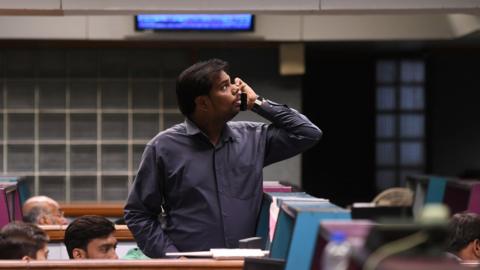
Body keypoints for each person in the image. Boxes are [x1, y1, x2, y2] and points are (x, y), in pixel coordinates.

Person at [124, 58, 322, 258]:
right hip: (189, 263)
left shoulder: (253, 137)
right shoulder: (163, 147)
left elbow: (308, 133)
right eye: (224, 87)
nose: (237, 89)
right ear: (203, 103)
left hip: (243, 263)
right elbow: (139, 214)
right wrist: (175, 260)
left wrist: (257, 103)